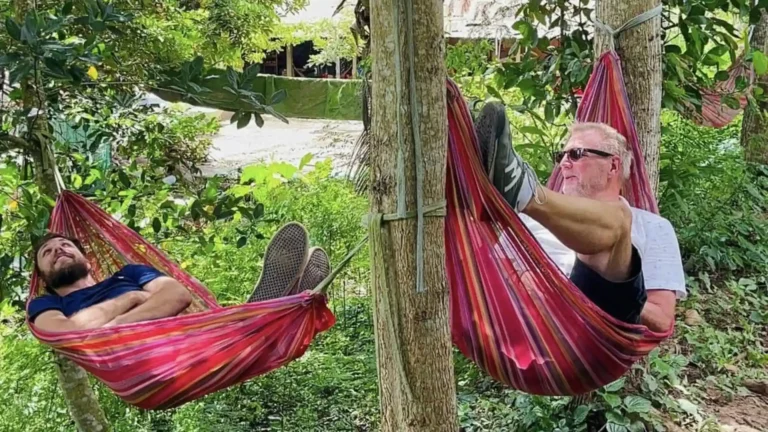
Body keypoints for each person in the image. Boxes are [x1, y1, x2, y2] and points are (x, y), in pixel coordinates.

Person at [476, 102, 686, 331]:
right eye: (561, 156)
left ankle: (527, 192)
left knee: (620, 220)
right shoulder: (528, 222)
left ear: (613, 166)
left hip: (602, 337)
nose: (564, 164)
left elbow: (662, 320)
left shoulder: (653, 226)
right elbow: (491, 280)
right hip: (537, 333)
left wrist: (589, 292)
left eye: (576, 154)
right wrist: (536, 282)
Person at [27, 222, 329, 333]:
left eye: (65, 245)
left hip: (186, 337)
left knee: (245, 332)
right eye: (48, 252)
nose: (59, 250)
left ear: (88, 262)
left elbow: (178, 297)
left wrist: (111, 325)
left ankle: (279, 310)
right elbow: (65, 331)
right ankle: (268, 313)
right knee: (246, 330)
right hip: (141, 363)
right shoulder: (44, 304)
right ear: (43, 276)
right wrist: (132, 298)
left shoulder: (129, 273)